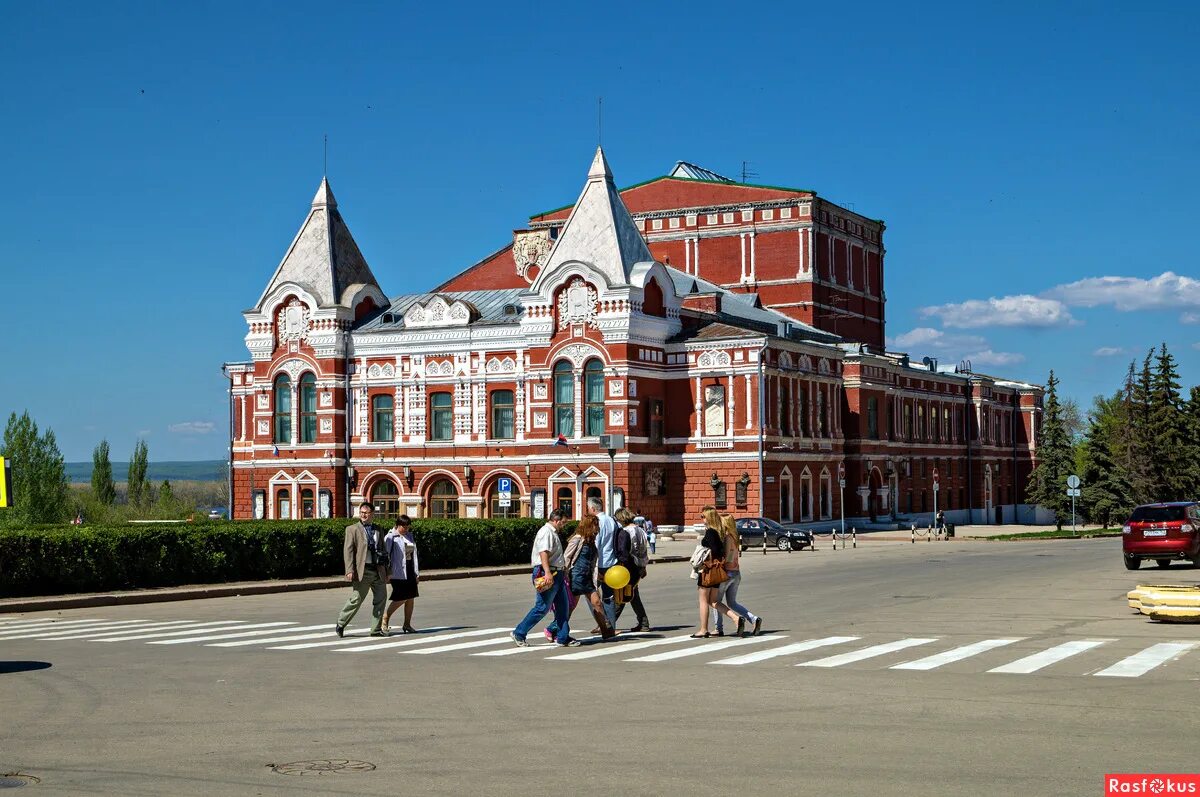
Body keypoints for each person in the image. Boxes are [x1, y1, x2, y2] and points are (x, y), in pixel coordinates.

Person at [512, 510, 579, 647]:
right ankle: (519, 633)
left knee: (563, 607)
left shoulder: (552, 532)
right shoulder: (546, 532)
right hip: (547, 573)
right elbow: (543, 553)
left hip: (557, 573)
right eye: (564, 522)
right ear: (557, 520)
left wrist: (562, 571)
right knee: (542, 607)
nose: (564, 525)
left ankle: (562, 637)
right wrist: (547, 572)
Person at [557, 515, 615, 640]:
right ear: (589, 525)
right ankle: (555, 630)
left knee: (597, 603)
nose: (598, 528)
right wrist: (563, 575)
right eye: (595, 525)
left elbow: (592, 561)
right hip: (575, 577)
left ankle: (605, 631)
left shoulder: (591, 541)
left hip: (588, 578)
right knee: (570, 607)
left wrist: (597, 574)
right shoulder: (577, 539)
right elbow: (566, 557)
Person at [336, 503, 388, 637]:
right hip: (362, 570)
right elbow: (348, 551)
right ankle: (341, 623)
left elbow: (383, 550)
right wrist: (349, 569)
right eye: (361, 512)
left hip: (378, 569)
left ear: (372, 514)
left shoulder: (378, 529)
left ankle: (375, 630)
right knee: (356, 599)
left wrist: (388, 570)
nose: (363, 515)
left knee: (381, 599)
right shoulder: (352, 529)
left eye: (366, 512)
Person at [692, 507, 745, 638]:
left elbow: (714, 550)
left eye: (703, 516)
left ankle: (703, 629)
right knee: (713, 601)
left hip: (708, 571)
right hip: (718, 572)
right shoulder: (720, 532)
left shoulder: (710, 532)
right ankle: (736, 618)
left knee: (703, 601)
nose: (702, 519)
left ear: (709, 518)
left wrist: (705, 559)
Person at [713, 514, 762, 637]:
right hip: (736, 573)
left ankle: (718, 629)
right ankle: (754, 619)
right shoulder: (735, 537)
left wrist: (721, 564)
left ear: (725, 524)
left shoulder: (727, 537)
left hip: (727, 572)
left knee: (715, 601)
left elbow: (729, 555)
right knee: (732, 603)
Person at [612, 507, 651, 632]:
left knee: (621, 596)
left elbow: (625, 552)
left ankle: (608, 623)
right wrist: (643, 567)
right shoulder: (640, 530)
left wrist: (620, 565)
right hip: (639, 566)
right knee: (633, 595)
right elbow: (644, 550)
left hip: (629, 567)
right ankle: (643, 622)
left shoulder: (625, 532)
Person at [382, 515, 420, 635]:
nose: (406, 529)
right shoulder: (390, 537)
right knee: (401, 597)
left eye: (408, 527)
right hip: (397, 572)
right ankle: (385, 618)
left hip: (409, 570)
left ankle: (407, 624)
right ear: (398, 525)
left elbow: (414, 556)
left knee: (410, 598)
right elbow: (385, 556)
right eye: (404, 527)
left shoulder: (409, 536)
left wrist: (416, 573)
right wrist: (387, 572)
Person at [589, 496, 619, 631]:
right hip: (611, 562)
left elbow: (596, 544)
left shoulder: (597, 522)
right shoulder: (612, 520)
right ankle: (610, 625)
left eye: (588, 508)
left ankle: (603, 622)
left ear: (593, 509)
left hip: (599, 563)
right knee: (609, 596)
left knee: (590, 594)